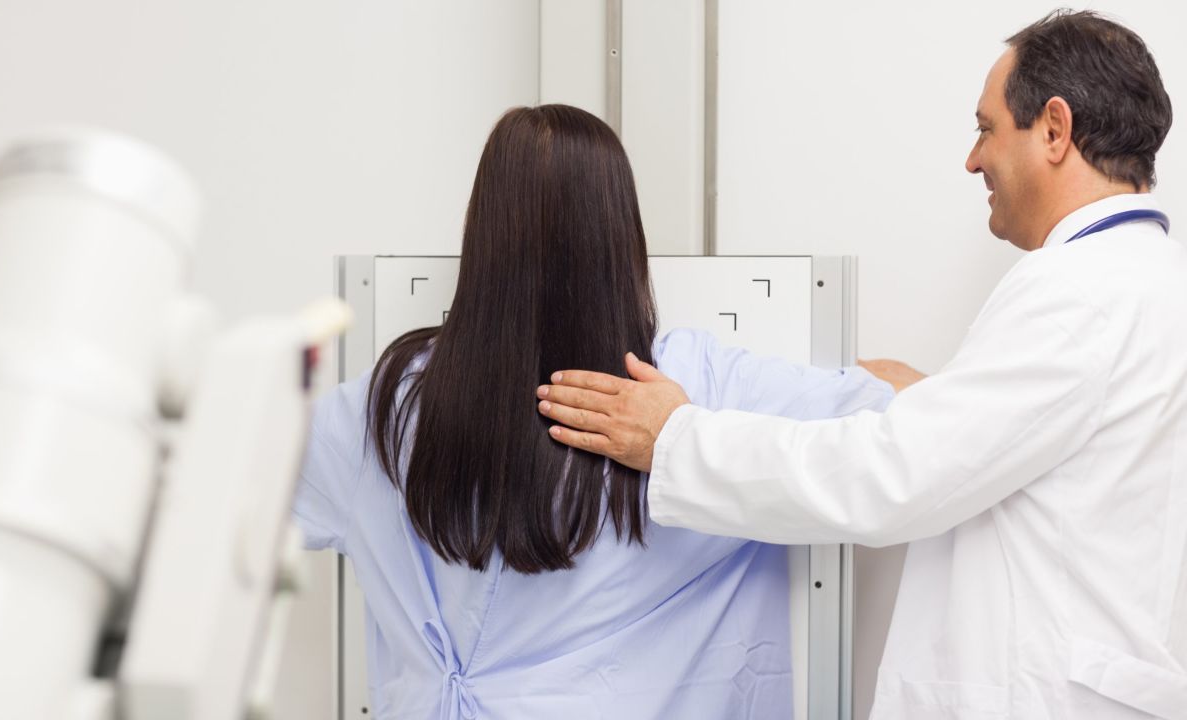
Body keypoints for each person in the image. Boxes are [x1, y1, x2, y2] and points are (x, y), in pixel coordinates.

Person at [536, 10, 1186, 719]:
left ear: (1055, 131)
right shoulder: (1143, 281)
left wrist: (676, 440)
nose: (973, 160)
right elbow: (1062, 453)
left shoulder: (1078, 291)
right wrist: (946, 399)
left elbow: (893, 476)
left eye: (986, 128)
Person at [293, 104, 892, 719]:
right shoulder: (693, 385)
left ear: (482, 234)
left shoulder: (388, 409)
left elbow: (237, 489)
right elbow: (900, 416)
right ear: (619, 235)